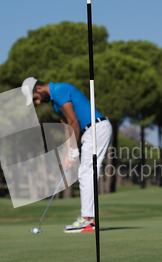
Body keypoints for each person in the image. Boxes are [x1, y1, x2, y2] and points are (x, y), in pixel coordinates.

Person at [22, 77, 112, 233]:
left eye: (35, 98)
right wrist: (68, 153)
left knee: (86, 174)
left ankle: (88, 220)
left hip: (96, 128)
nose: (37, 102)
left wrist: (73, 150)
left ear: (38, 89)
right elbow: (67, 127)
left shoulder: (59, 90)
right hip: (90, 132)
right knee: (85, 173)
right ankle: (88, 219)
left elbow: (74, 122)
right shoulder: (55, 101)